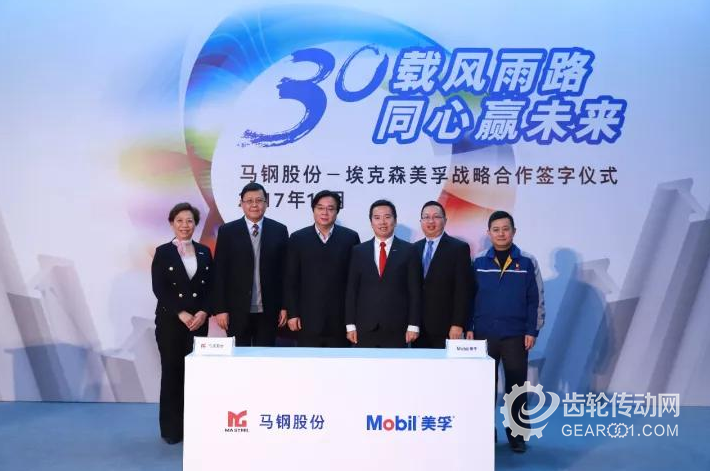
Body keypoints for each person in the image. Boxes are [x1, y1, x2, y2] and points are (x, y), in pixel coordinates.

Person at [468, 210, 545, 453]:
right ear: (488, 233)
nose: (501, 234)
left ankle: (517, 435)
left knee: (516, 387)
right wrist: (469, 327)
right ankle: (484, 431)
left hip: (516, 334)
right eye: (496, 229)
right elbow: (468, 297)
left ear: (514, 231)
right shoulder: (478, 261)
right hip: (483, 334)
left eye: (505, 229)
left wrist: (532, 330)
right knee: (483, 387)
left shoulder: (527, 261)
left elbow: (535, 299)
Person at [151, 202, 212, 444]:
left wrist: (204, 312)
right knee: (172, 373)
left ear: (195, 224)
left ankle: (194, 428)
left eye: (190, 221)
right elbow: (160, 288)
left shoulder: (204, 251)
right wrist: (181, 313)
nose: (185, 225)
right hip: (171, 322)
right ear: (171, 223)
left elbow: (211, 286)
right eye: (180, 221)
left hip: (198, 323)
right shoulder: (162, 252)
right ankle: (172, 430)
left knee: (195, 375)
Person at [212, 182, 288, 346]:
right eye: (249, 201)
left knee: (265, 356)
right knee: (239, 357)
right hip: (236, 311)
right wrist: (220, 309)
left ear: (266, 203)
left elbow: (285, 273)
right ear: (241, 203)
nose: (254, 205)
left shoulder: (279, 230)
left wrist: (284, 306)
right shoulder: (227, 231)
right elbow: (219, 272)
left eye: (259, 200)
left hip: (269, 310)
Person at [284, 190, 360, 347]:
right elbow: (291, 279)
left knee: (339, 361)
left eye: (330, 208)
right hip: (307, 319)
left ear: (337, 212)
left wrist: (352, 320)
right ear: (313, 210)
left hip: (340, 319)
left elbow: (354, 281)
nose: (325, 213)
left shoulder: (350, 238)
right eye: (320, 208)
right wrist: (293, 313)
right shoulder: (298, 238)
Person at [345, 199, 421, 348]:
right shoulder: (359, 251)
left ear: (395, 220)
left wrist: (413, 325)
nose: (382, 222)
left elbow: (415, 291)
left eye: (387, 217)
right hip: (364, 327)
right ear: (371, 222)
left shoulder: (409, 250)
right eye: (377, 218)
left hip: (397, 327)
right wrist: (350, 325)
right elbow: (352, 290)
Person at [413, 201, 473, 349]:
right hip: (418, 327)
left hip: (447, 327)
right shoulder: (414, 249)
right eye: (426, 217)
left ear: (445, 220)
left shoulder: (459, 249)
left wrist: (458, 324)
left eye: (436, 217)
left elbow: (463, 290)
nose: (431, 221)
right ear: (421, 221)